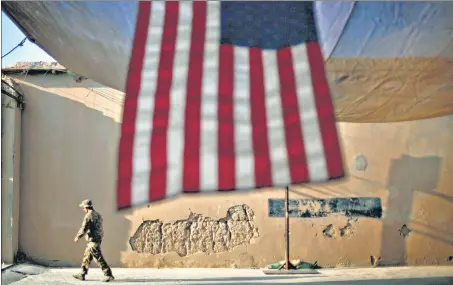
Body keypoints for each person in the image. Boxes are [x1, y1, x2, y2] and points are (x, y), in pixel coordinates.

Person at [72, 199, 115, 282]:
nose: (83, 209)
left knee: (98, 257)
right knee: (86, 257)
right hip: (97, 238)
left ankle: (108, 274)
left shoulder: (89, 215)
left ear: (86, 207)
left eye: (83, 207)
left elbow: (84, 228)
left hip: (93, 240)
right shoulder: (97, 214)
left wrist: (78, 237)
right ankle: (82, 274)